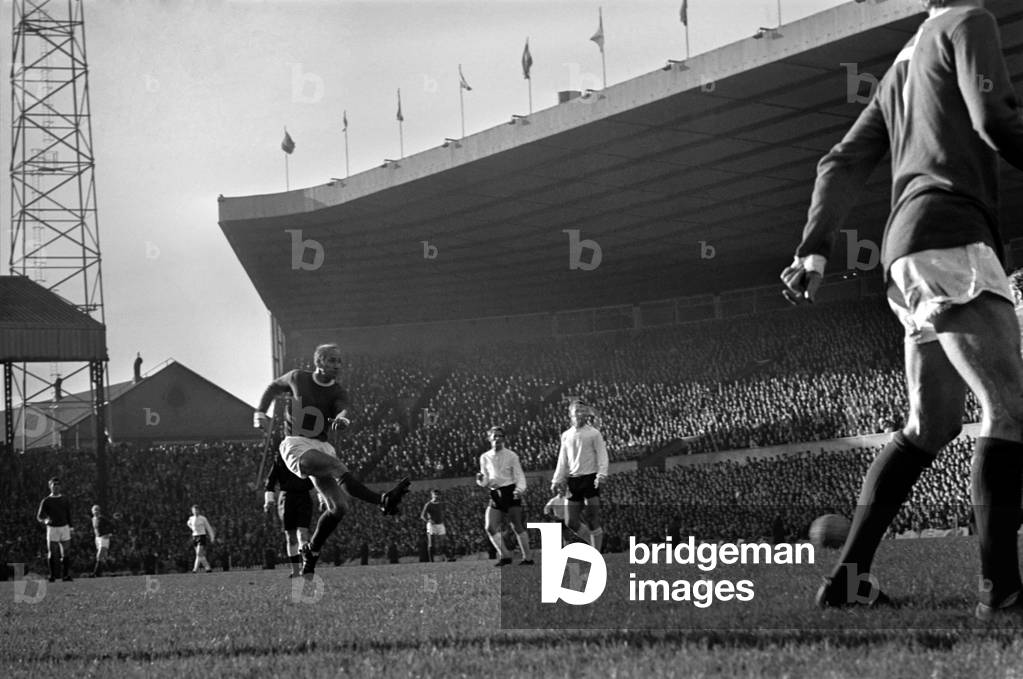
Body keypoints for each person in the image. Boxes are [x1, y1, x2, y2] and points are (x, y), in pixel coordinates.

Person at [780, 0, 1023, 619]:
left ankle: (848, 582)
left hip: (904, 253)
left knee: (931, 425)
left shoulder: (903, 62)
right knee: (1011, 409)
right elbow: (995, 115)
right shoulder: (969, 21)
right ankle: (1003, 591)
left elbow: (840, 159)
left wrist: (813, 250)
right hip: (951, 234)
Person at [254, 343, 411, 576]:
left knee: (339, 507)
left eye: (339, 361)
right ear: (318, 361)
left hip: (322, 445)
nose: (337, 366)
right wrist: (259, 412)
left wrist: (343, 419)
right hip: (296, 442)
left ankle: (312, 552)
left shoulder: (338, 391)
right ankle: (382, 500)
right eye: (332, 360)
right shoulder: (298, 377)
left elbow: (342, 409)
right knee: (337, 467)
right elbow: (273, 387)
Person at [551, 401, 609, 552]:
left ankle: (597, 554)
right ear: (571, 414)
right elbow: (562, 459)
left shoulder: (594, 433)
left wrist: (602, 474)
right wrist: (557, 479)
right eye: (577, 411)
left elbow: (603, 455)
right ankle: (593, 545)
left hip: (590, 478)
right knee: (571, 522)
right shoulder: (566, 435)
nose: (580, 413)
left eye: (583, 410)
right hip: (573, 480)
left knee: (592, 517)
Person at [476, 426, 533, 566]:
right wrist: (481, 480)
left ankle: (528, 558)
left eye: (500, 436)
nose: (497, 438)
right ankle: (505, 555)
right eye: (494, 436)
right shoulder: (484, 457)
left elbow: (519, 475)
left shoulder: (512, 455)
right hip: (495, 493)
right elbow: (485, 479)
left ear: (504, 438)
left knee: (517, 526)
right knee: (490, 527)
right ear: (489, 438)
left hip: (510, 491)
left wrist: (519, 490)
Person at [264, 450, 315, 577]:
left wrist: (322, 497)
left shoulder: (307, 454)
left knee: (303, 534)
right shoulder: (280, 457)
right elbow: (271, 480)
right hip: (286, 498)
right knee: (291, 535)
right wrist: (269, 500)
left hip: (304, 496)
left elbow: (317, 477)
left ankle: (305, 566)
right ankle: (296, 570)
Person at [36, 477, 73, 582]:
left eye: (58, 485)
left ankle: (65, 575)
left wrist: (71, 526)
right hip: (52, 529)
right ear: (50, 487)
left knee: (66, 552)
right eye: (54, 485)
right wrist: (45, 521)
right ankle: (52, 575)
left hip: (64, 527)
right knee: (52, 552)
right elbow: (39, 516)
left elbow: (68, 513)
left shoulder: (65, 499)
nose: (56, 487)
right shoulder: (46, 501)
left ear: (60, 487)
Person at [420, 489, 451, 562]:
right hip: (432, 525)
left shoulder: (441, 504)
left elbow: (443, 513)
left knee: (443, 541)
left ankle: (447, 558)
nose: (436, 496)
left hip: (440, 524)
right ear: (432, 495)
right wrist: (428, 521)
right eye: (435, 494)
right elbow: (422, 516)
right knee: (431, 542)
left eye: (438, 494)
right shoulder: (428, 504)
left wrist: (444, 520)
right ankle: (431, 560)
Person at [187, 505, 215, 573]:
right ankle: (208, 568)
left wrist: (212, 537)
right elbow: (188, 524)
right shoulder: (191, 518)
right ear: (192, 511)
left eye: (197, 510)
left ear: (199, 511)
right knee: (200, 554)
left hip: (202, 536)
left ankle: (195, 569)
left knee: (198, 553)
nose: (195, 511)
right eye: (194, 510)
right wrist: (192, 528)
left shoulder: (203, 518)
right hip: (195, 536)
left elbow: (208, 528)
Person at [91, 504, 114, 577]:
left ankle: (95, 573)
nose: (96, 511)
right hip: (97, 538)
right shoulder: (93, 519)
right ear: (92, 511)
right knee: (103, 557)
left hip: (104, 538)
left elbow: (112, 525)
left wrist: (110, 534)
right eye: (95, 510)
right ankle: (111, 571)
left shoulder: (103, 519)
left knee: (99, 556)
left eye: (97, 509)